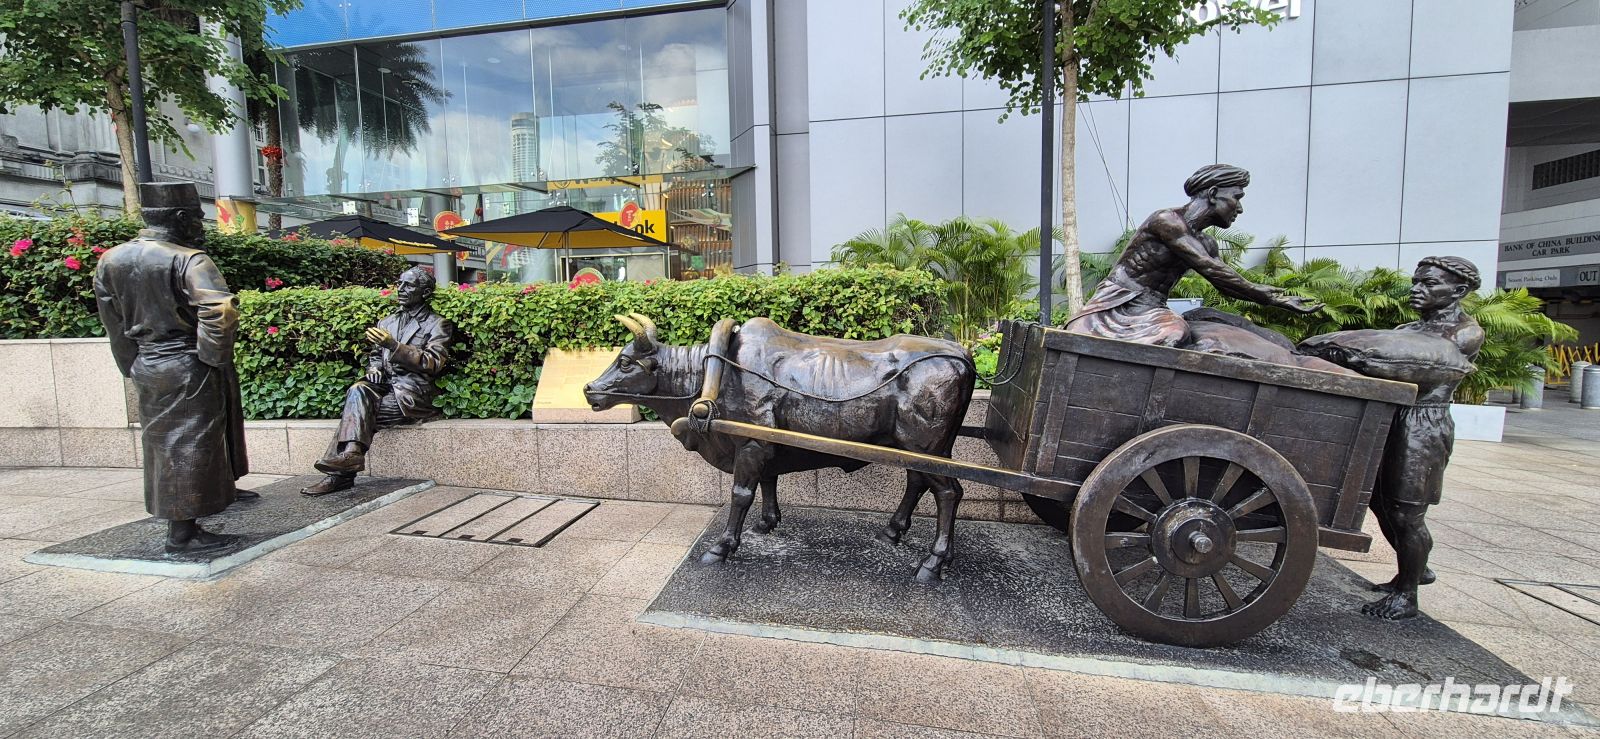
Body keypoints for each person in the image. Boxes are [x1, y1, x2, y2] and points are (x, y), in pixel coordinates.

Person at [94, 182, 252, 554]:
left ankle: (217, 492)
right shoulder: (189, 259)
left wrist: (131, 363)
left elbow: (112, 321)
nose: (200, 222)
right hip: (188, 360)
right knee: (189, 441)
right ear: (180, 217)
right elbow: (220, 309)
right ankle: (183, 534)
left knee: (167, 441)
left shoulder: (111, 260)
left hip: (148, 361)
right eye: (197, 216)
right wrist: (211, 358)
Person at [1065, 164, 1321, 345]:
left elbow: (1226, 283)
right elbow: (1210, 268)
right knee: (1172, 334)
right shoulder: (1167, 221)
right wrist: (1265, 294)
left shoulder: (1207, 243)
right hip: (1117, 305)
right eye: (1237, 197)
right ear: (1213, 194)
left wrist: (1276, 299)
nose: (1240, 208)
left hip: (1152, 308)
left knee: (1198, 331)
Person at [1362, 257, 1484, 620]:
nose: (1416, 289)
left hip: (1423, 423)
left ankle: (1407, 595)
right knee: (1378, 501)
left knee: (1407, 512)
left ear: (1458, 290)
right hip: (1392, 414)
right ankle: (1416, 569)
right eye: (1416, 282)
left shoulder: (1465, 333)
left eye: (1429, 284)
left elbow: (1427, 365)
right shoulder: (1408, 327)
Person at [301, 266, 455, 495]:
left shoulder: (437, 323)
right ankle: (351, 456)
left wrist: (393, 346)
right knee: (358, 390)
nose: (400, 289)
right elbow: (376, 356)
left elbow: (432, 362)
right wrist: (374, 368)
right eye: (399, 283)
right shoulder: (387, 322)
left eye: (408, 285)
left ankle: (341, 474)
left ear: (424, 292)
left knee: (358, 414)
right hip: (383, 387)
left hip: (411, 394)